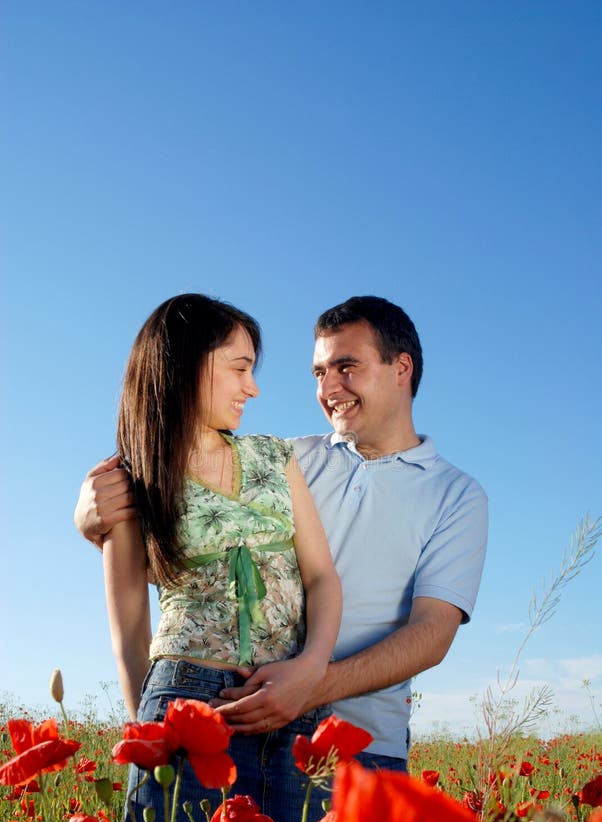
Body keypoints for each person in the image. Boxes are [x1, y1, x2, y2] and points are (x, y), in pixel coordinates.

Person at [75, 295, 487, 774]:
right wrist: (95, 523)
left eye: (346, 367)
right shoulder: (276, 459)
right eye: (318, 373)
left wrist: (310, 684)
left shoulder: (457, 495)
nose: (328, 387)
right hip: (245, 711)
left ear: (401, 368)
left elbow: (431, 634)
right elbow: (203, 566)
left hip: (365, 743)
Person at [99, 293, 341, 822]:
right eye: (240, 366)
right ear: (186, 364)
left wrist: (312, 668)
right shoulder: (127, 480)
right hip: (187, 697)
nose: (252, 387)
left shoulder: (273, 456)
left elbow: (322, 578)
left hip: (294, 697)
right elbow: (130, 631)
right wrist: (160, 740)